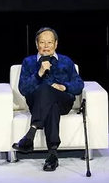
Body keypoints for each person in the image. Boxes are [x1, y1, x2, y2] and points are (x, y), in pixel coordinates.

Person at [12, 27, 84, 171]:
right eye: (42, 42)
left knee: (48, 91)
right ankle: (52, 155)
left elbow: (79, 85)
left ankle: (31, 134)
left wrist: (64, 87)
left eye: (49, 42)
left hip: (63, 100)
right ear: (36, 44)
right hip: (37, 103)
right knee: (50, 101)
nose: (46, 46)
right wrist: (39, 73)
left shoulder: (66, 61)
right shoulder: (28, 62)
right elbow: (24, 89)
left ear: (56, 44)